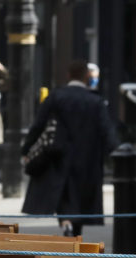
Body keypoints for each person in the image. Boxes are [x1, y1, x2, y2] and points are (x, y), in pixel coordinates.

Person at [21, 60, 119, 237]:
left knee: (63, 193)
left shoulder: (56, 96)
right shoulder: (96, 101)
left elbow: (38, 125)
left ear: (68, 75)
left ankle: (66, 223)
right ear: (86, 77)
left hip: (59, 155)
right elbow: (107, 131)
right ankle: (75, 231)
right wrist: (117, 154)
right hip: (87, 159)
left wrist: (26, 148)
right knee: (80, 199)